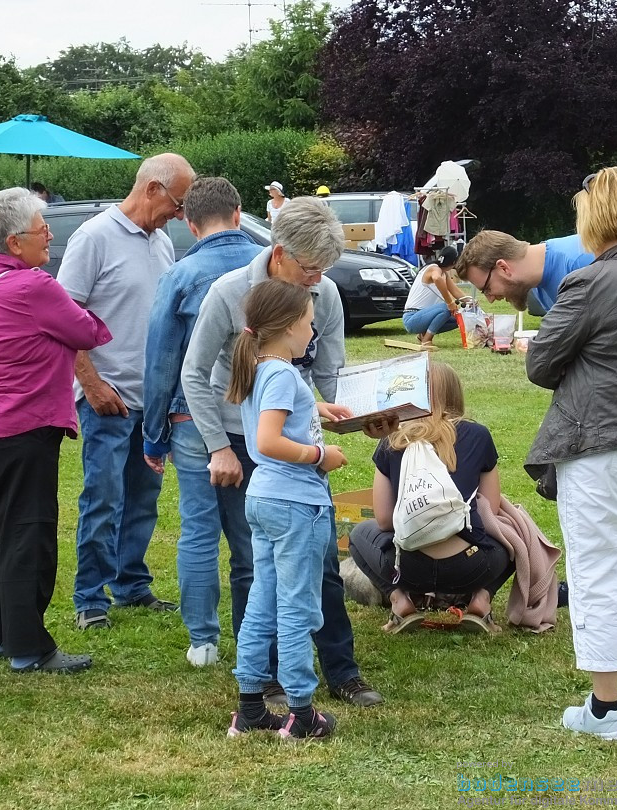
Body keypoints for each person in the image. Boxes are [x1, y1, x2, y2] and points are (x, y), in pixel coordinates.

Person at [477, 166, 617, 740]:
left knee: (598, 570)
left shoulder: (590, 280)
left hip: (609, 443)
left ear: (595, 215)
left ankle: (605, 710)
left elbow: (540, 364)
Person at [182, 195, 384, 707]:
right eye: (311, 269)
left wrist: (354, 414)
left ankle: (343, 672)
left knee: (321, 564)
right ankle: (266, 676)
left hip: (297, 445)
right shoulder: (229, 293)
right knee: (255, 563)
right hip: (244, 444)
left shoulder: (328, 296)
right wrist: (219, 448)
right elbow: (194, 372)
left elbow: (329, 376)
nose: (318, 281)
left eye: (325, 271)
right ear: (279, 254)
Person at [455, 229, 617, 574]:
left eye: (485, 288)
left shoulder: (583, 262)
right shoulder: (544, 284)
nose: (490, 298)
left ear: (503, 267)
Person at [0, 187, 111, 673]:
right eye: (42, 228)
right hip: (25, 426)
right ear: (15, 243)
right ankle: (29, 646)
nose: (50, 235)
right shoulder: (35, 286)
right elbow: (88, 333)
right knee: (27, 534)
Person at [57, 152, 195, 631]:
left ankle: (131, 584)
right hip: (108, 398)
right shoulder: (93, 238)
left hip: (150, 399)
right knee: (104, 497)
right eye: (178, 204)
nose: (180, 215)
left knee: (142, 497)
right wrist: (91, 384)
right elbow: (62, 319)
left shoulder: (161, 244)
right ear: (153, 189)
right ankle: (90, 597)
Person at [142, 176, 264, 667]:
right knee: (248, 531)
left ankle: (203, 640)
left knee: (197, 528)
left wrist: (153, 434)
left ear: (190, 225)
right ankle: (251, 630)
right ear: (238, 213)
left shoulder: (182, 273)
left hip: (192, 417)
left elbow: (161, 360)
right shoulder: (269, 264)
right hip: (258, 417)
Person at [225, 278, 348, 738]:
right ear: (288, 326)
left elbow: (280, 417)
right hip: (296, 502)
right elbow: (269, 440)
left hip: (264, 500)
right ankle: (301, 712)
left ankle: (251, 707)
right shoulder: (281, 373)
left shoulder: (262, 367)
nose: (312, 334)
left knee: (262, 602)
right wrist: (321, 457)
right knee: (299, 609)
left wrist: (316, 407)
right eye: (308, 325)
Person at [348, 361, 514, 633]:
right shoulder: (478, 435)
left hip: (407, 567)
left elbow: (384, 520)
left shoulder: (393, 440)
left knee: (358, 535)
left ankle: (399, 599)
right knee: (515, 535)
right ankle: (481, 599)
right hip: (469, 566)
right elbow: (491, 509)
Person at [401, 246, 468, 346]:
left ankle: (422, 335)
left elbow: (456, 292)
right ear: (454, 262)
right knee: (445, 307)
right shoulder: (434, 269)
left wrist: (471, 302)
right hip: (411, 318)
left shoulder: (444, 274)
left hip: (423, 316)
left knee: (461, 317)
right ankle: (427, 340)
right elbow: (436, 278)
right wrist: (450, 302)